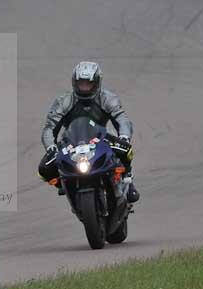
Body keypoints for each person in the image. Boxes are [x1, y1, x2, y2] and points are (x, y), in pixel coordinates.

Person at [37, 61, 140, 203]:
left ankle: (128, 179)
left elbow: (122, 119)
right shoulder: (63, 101)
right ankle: (65, 184)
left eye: (88, 84)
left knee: (125, 150)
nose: (84, 88)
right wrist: (50, 146)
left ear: (97, 83)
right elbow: (49, 128)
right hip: (71, 141)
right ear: (74, 82)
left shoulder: (107, 98)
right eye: (81, 84)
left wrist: (124, 136)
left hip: (102, 137)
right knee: (44, 170)